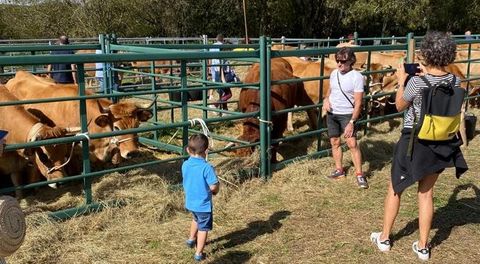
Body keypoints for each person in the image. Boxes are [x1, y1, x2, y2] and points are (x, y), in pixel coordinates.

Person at [370, 31, 468, 261]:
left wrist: (403, 80)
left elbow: (398, 105)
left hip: (414, 141)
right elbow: (438, 87)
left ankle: (384, 238)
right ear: (449, 55)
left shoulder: (416, 81)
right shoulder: (455, 81)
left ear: (426, 53)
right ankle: (423, 246)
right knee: (426, 193)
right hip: (442, 142)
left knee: (395, 187)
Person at [322, 47, 368, 189]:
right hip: (332, 113)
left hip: (347, 114)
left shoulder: (357, 77)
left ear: (351, 61)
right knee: (335, 142)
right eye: (337, 61)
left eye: (343, 61)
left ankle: (359, 174)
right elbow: (331, 89)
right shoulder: (334, 73)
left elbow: (359, 102)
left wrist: (352, 122)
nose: (339, 64)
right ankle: (339, 170)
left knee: (352, 144)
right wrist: (326, 100)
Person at [182, 134, 220, 262]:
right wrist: (215, 190)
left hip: (190, 202)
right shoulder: (207, 168)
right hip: (203, 205)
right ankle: (199, 253)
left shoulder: (185, 164)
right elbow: (213, 186)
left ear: (188, 150)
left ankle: (191, 239)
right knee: (203, 229)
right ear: (206, 151)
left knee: (195, 219)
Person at [208, 34, 232, 112]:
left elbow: (210, 57)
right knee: (226, 92)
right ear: (223, 39)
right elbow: (221, 62)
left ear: (216, 39)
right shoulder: (222, 47)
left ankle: (224, 109)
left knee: (216, 83)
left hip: (214, 67)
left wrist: (209, 67)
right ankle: (216, 105)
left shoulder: (212, 46)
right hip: (221, 70)